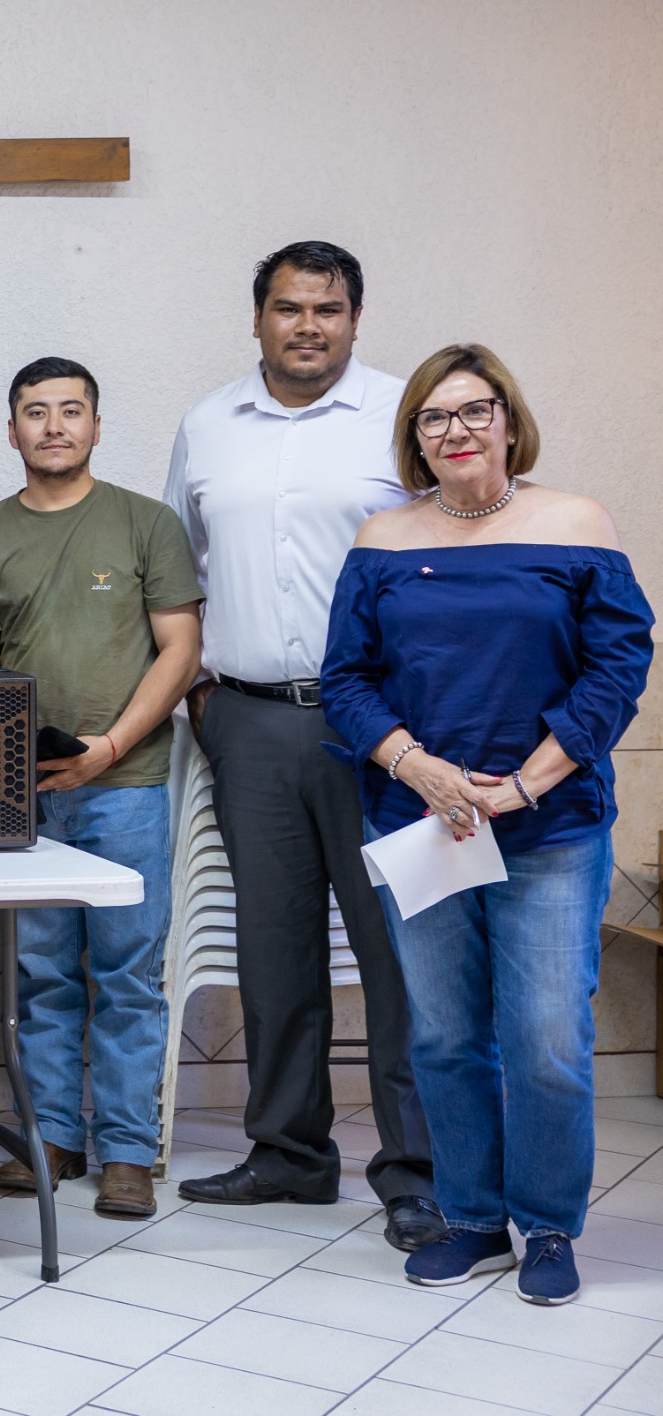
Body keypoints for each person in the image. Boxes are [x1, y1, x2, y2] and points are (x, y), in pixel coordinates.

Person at [322, 345, 652, 1305]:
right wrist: (415, 766)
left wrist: (528, 782)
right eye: (434, 417)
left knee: (547, 1035)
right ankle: (471, 1217)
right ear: (414, 436)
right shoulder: (384, 536)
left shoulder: (576, 524)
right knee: (446, 1036)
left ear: (509, 421)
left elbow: (617, 667)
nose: (455, 431)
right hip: (420, 822)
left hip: (549, 828)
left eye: (474, 411)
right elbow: (346, 679)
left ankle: (547, 1226)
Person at [162, 242, 440, 1250]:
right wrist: (201, 694)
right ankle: (288, 1151)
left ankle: (415, 1168)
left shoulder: (404, 413)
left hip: (379, 728)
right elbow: (177, 567)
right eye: (289, 307)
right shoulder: (208, 423)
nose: (308, 325)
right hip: (247, 717)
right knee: (274, 950)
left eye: (327, 308)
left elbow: (448, 547)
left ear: (355, 319)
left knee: (397, 951)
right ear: (257, 317)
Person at [0, 357, 202, 1219]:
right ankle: (52, 1134)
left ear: (96, 425)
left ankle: (128, 1149)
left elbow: (180, 649)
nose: (53, 425)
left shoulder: (146, 524)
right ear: (11, 431)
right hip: (26, 798)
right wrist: (4, 775)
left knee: (128, 971)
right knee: (41, 972)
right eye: (34, 412)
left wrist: (111, 745)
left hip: (125, 782)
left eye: (70, 411)